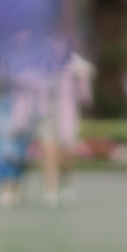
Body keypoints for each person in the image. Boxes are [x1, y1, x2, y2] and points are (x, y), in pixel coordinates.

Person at [38, 32, 94, 206]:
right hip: (46, 112)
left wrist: (82, 76)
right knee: (49, 151)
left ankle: (65, 184)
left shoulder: (73, 62)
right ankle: (50, 190)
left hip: (67, 113)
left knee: (66, 154)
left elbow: (88, 73)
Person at [0, 30, 38, 208]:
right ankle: (6, 189)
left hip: (24, 107)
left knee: (20, 149)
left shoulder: (34, 57)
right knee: (4, 149)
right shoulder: (2, 58)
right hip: (4, 106)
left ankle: (16, 188)